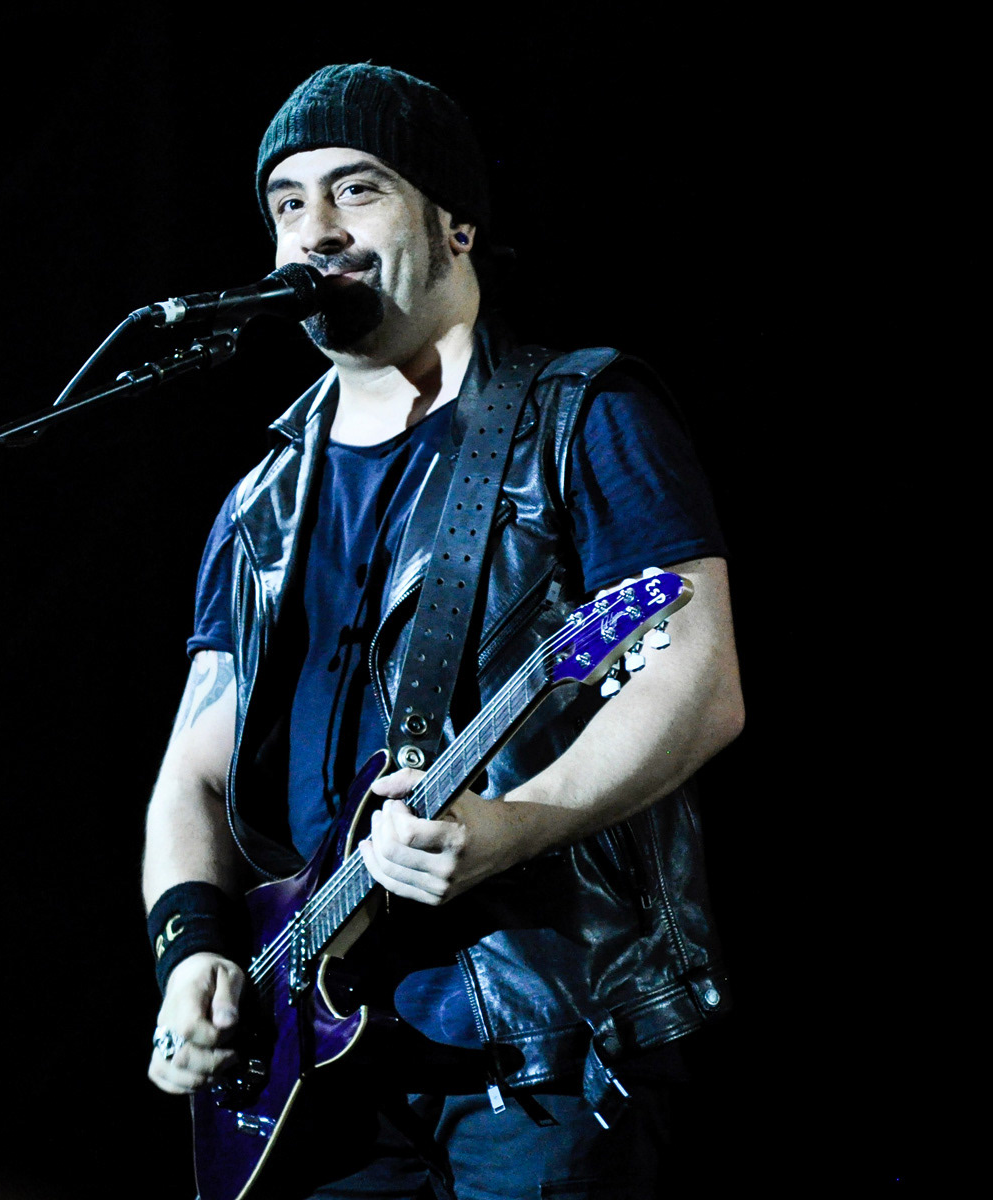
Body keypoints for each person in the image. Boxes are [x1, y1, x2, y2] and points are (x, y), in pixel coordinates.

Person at [141, 64, 744, 1199]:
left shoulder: (581, 414)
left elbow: (698, 681)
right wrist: (192, 949)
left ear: (456, 222)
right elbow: (195, 771)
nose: (316, 228)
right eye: (287, 202)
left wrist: (514, 826)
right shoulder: (260, 503)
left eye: (357, 189)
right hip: (316, 1069)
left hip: (545, 1040)